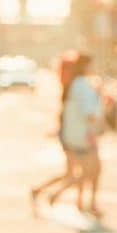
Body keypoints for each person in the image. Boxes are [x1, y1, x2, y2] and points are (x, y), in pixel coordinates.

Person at [48, 52, 103, 217]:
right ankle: (57, 195)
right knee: (91, 170)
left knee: (81, 171)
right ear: (86, 66)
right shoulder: (81, 85)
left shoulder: (77, 84)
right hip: (84, 134)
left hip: (77, 134)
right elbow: (89, 113)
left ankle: (81, 201)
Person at [30, 52, 79, 214]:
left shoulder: (68, 87)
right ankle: (50, 195)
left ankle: (42, 191)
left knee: (71, 173)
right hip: (70, 136)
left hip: (68, 135)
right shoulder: (71, 88)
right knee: (73, 174)